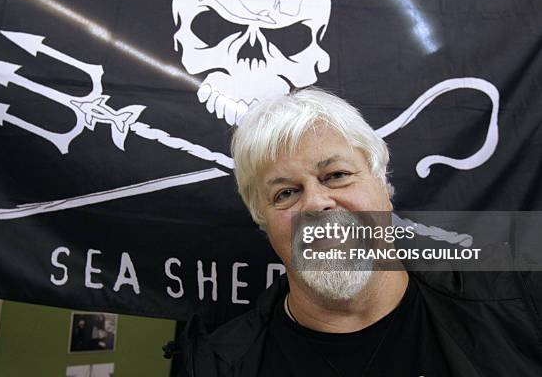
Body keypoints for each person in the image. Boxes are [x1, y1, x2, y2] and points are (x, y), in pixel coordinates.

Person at [174, 88, 542, 376]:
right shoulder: (216, 364)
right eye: (285, 193)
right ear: (264, 222)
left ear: (384, 190)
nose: (316, 203)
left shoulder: (518, 307)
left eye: (336, 175)